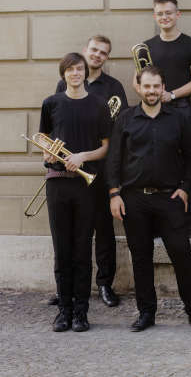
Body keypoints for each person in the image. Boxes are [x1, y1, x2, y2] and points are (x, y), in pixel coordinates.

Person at [107, 65, 191, 332]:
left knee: (182, 254)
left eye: (156, 86)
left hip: (169, 198)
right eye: (147, 86)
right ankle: (146, 313)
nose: (151, 91)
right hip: (133, 199)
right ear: (138, 87)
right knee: (141, 257)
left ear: (163, 88)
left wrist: (186, 188)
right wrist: (114, 194)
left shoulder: (178, 119)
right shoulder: (125, 119)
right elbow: (114, 160)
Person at [40, 53, 112, 332]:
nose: (75, 73)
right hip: (57, 182)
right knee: (62, 249)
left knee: (83, 248)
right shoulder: (51, 103)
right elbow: (44, 142)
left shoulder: (98, 104)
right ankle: (64, 312)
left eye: (79, 69)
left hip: (86, 184)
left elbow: (106, 147)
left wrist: (82, 156)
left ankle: (81, 312)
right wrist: (49, 154)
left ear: (85, 72)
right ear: (63, 74)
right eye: (69, 70)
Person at [53, 35, 127, 308]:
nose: (97, 55)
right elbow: (58, 121)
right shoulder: (66, 81)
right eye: (94, 50)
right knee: (69, 230)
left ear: (106, 58)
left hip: (100, 167)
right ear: (85, 51)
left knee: (103, 228)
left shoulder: (114, 87)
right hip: (69, 167)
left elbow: (118, 131)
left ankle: (104, 285)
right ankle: (67, 288)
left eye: (103, 53)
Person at [141, 0, 191, 237]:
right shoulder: (147, 47)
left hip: (180, 109)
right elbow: (141, 82)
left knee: (186, 162)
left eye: (169, 13)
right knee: (155, 162)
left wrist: (172, 95)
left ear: (178, 15)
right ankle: (159, 223)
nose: (164, 17)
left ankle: (190, 224)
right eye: (160, 13)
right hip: (152, 111)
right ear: (155, 16)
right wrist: (155, 97)